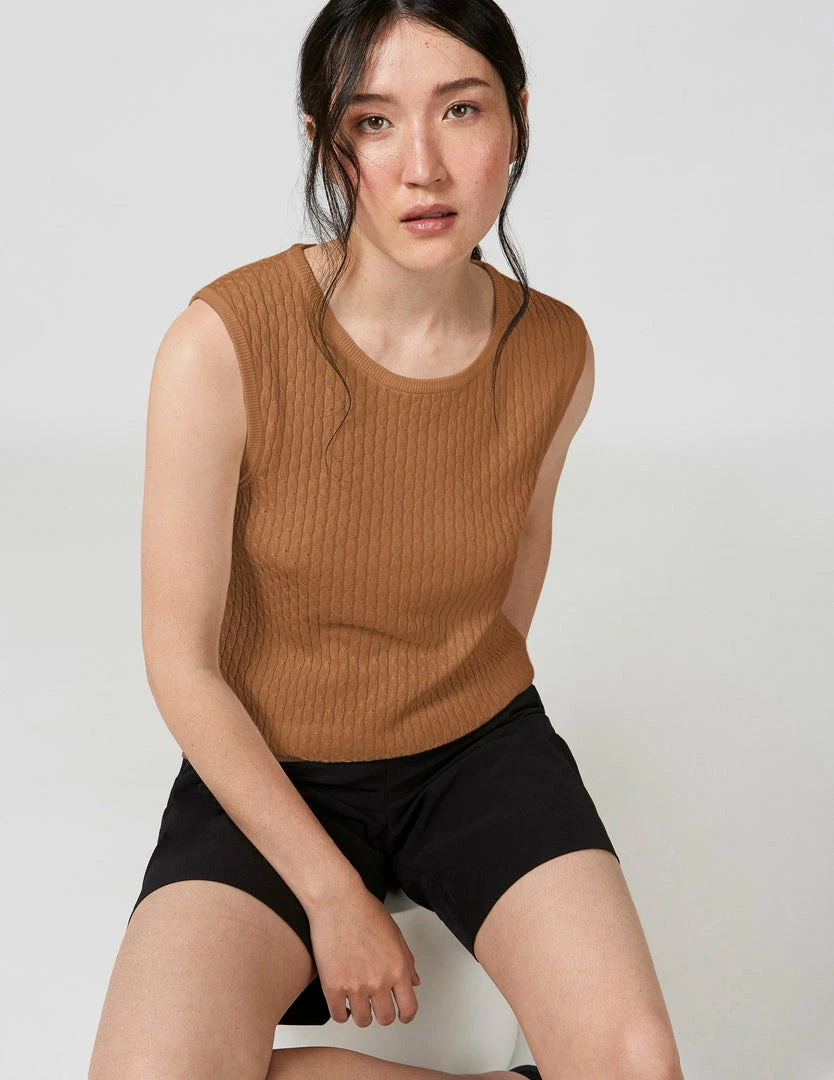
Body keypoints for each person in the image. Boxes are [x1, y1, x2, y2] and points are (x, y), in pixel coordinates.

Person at [88, 3, 685, 1079]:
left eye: (461, 110)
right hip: (272, 763)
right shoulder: (220, 343)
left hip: (475, 752)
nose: (424, 167)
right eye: (374, 122)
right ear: (328, 145)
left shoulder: (556, 350)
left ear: (516, 121)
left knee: (638, 1066)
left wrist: (450, 723)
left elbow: (514, 572)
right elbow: (181, 662)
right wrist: (332, 893)